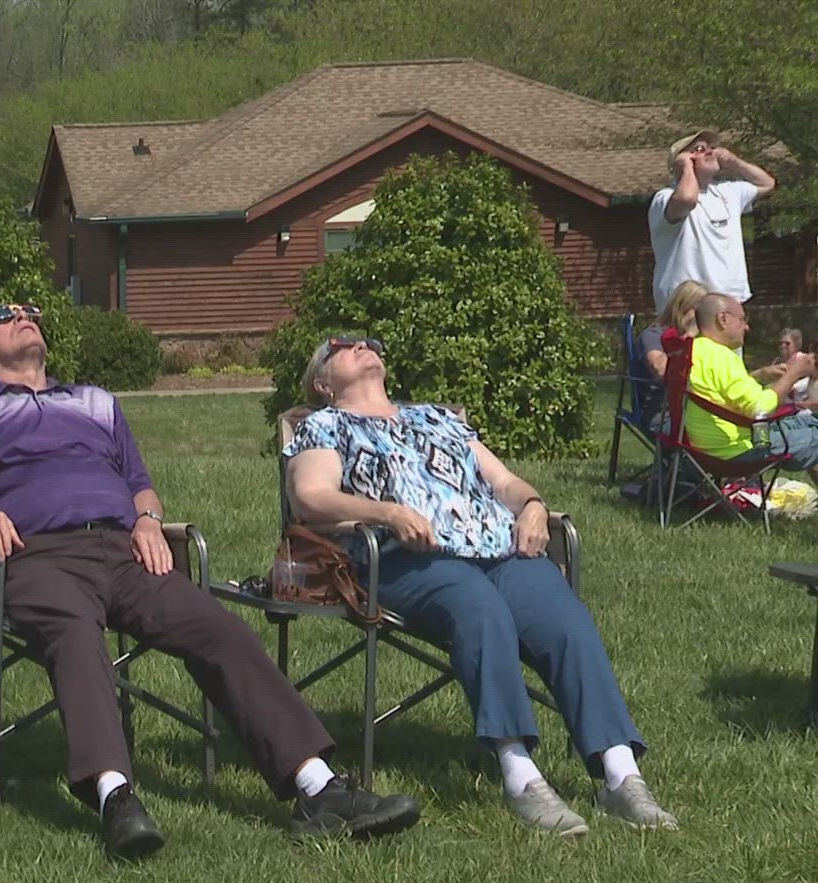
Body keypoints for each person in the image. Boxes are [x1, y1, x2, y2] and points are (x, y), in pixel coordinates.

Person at [0, 302, 424, 859]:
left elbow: (140, 484)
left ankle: (318, 788)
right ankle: (116, 798)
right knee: (77, 639)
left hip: (125, 551)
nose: (23, 316)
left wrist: (150, 521)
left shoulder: (95, 402)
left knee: (220, 631)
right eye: (2, 316)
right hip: (34, 555)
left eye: (29, 312)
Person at [284, 336, 679, 835]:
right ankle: (520, 773)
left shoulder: (439, 418)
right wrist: (385, 512)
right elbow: (309, 498)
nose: (363, 345)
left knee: (564, 619)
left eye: (370, 342)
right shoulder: (325, 426)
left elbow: (505, 483)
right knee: (478, 608)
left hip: (499, 551)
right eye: (343, 345)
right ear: (323, 382)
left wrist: (533, 505)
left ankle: (621, 775)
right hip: (405, 559)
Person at [683, 293, 818, 482]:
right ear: (723, 319)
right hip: (738, 451)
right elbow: (760, 408)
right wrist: (793, 374)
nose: (746, 327)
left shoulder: (695, 350)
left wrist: (762, 376)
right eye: (742, 319)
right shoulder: (722, 356)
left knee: (807, 423)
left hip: (705, 447)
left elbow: (727, 394)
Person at [649, 129, 775, 313]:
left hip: (729, 301)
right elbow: (687, 199)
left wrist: (734, 162)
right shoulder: (665, 198)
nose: (710, 152)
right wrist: (686, 167)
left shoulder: (727, 192)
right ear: (681, 160)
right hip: (687, 304)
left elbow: (767, 183)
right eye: (699, 149)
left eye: (711, 147)